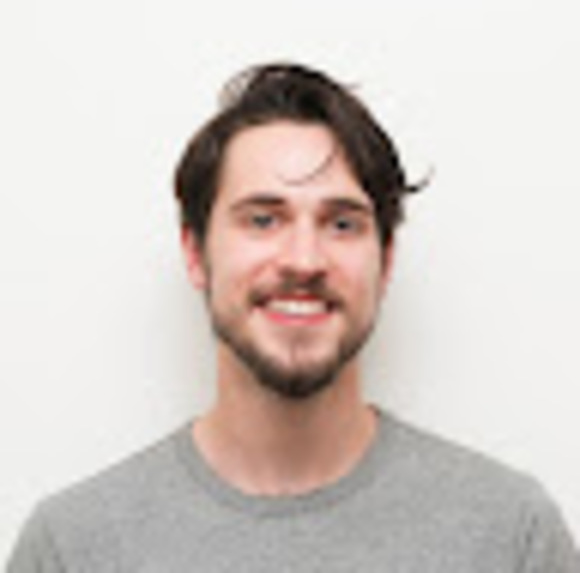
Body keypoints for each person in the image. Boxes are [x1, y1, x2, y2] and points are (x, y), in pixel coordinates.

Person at [8, 63, 578, 572]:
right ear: (195, 253)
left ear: (386, 260)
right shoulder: (73, 548)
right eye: (263, 219)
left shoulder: (509, 537)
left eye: (342, 224)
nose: (304, 260)